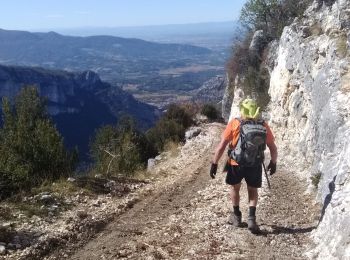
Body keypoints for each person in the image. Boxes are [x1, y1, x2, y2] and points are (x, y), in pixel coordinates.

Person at [210, 98, 277, 233]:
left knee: (235, 188)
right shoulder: (263, 125)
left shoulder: (235, 123)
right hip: (255, 164)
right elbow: (273, 147)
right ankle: (251, 218)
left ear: (242, 110)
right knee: (253, 190)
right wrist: (273, 162)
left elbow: (222, 145)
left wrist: (214, 163)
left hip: (236, 163)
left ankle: (236, 216)